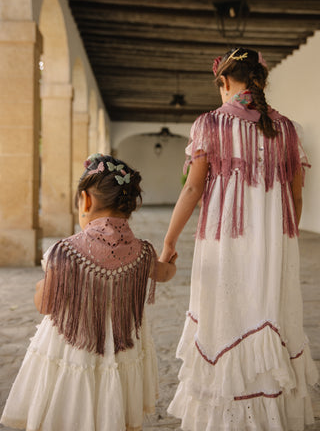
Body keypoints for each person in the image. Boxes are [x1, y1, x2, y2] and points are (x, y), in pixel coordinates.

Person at [160, 48, 318, 430]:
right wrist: (283, 241)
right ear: (260, 82)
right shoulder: (287, 129)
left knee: (226, 314)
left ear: (226, 82)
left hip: (225, 238)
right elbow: (295, 197)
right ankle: (270, 409)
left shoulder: (209, 125)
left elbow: (192, 189)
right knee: (267, 310)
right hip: (276, 242)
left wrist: (168, 243)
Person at [1, 154, 176, 431]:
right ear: (129, 205)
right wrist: (168, 259)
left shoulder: (66, 251)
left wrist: (39, 287)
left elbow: (44, 304)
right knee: (115, 406)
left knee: (69, 409)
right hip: (122, 346)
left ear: (86, 200)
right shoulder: (143, 252)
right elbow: (164, 274)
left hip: (74, 348)